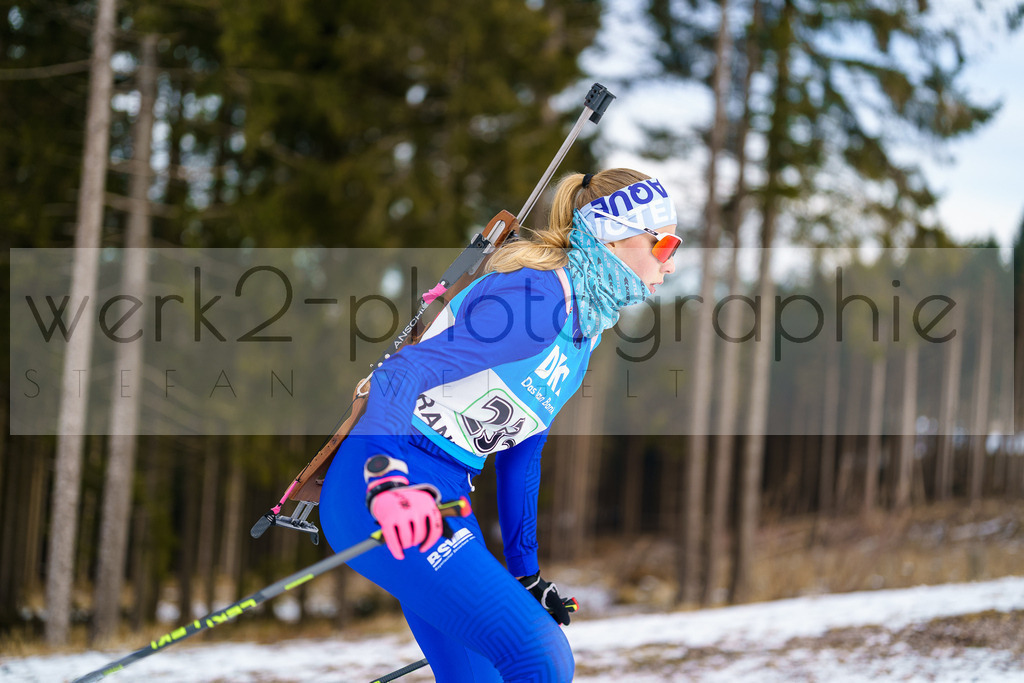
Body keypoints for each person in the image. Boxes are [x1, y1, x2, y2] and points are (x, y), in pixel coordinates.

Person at [319, 168, 680, 682]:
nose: (670, 263)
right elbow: (401, 372)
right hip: (387, 486)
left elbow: (522, 454)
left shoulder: (582, 331)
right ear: (614, 235)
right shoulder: (538, 300)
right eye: (663, 244)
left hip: (444, 496)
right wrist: (388, 482)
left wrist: (526, 576)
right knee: (542, 658)